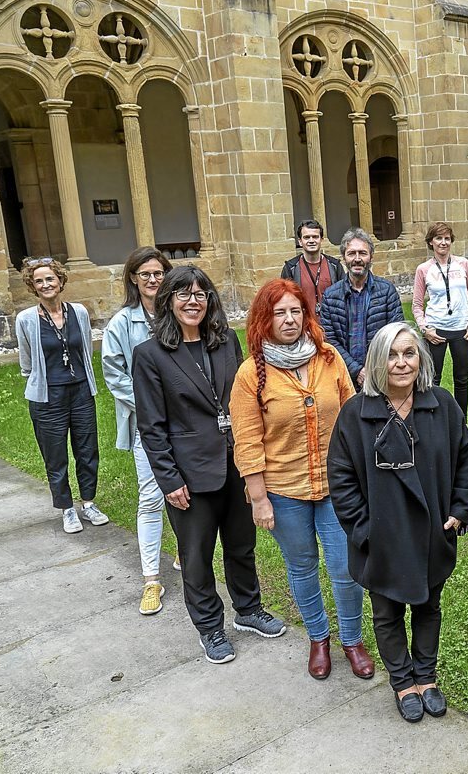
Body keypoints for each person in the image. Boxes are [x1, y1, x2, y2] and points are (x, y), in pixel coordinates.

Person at [134, 266, 286, 664]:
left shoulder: (225, 342)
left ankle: (248, 611)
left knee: (241, 546)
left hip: (236, 465)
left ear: (210, 301)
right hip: (188, 475)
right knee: (197, 557)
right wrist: (169, 480)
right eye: (183, 294)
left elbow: (245, 402)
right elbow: (151, 426)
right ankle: (210, 628)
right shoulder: (149, 356)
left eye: (201, 294)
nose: (193, 301)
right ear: (168, 300)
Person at [328, 322, 468, 723]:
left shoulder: (442, 404)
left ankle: (426, 677)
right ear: (377, 361)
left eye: (409, 353)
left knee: (429, 605)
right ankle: (402, 682)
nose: (401, 362)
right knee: (387, 612)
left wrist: (460, 511)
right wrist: (364, 530)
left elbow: (465, 459)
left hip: (432, 533)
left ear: (421, 358)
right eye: (392, 355)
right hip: (382, 538)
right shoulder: (356, 415)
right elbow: (340, 478)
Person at [230, 279, 373, 681]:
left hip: (336, 486)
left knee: (345, 565)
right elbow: (247, 440)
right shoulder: (250, 375)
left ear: (306, 316)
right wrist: (258, 497)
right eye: (280, 313)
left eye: (296, 311)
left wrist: (362, 476)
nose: (290, 319)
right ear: (265, 320)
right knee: (303, 565)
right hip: (284, 490)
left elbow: (353, 416)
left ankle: (351, 640)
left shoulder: (329, 359)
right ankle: (318, 638)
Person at [102, 247, 175, 615]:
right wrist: (152, 404)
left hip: (185, 423)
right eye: (144, 274)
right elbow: (114, 375)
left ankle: (187, 555)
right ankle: (151, 580)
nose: (152, 280)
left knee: (189, 490)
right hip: (146, 424)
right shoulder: (122, 323)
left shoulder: (177, 313)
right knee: (151, 498)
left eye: (158, 273)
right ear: (133, 278)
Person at [15, 257, 107, 535]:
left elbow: (85, 351)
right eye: (39, 280)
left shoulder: (78, 312)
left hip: (80, 392)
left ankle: (88, 503)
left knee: (87, 451)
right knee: (55, 456)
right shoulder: (26, 319)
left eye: (50, 279)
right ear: (33, 286)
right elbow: (26, 361)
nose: (46, 284)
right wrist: (41, 380)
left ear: (60, 281)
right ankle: (67, 508)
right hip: (47, 398)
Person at [412, 222, 468, 439]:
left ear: (451, 241)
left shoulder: (463, 264)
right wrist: (425, 329)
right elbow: (416, 304)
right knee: (433, 379)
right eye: (438, 238)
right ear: (431, 242)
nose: (443, 242)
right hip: (436, 330)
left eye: (447, 238)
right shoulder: (424, 269)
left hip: (462, 329)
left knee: (462, 379)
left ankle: (463, 425)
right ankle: (432, 423)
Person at [320, 227, 405, 389]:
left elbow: (396, 333)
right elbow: (329, 339)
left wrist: (373, 370)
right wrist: (356, 371)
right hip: (344, 376)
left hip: (381, 374)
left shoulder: (387, 291)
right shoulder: (331, 296)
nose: (357, 259)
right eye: (352, 253)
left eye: (362, 253)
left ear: (371, 256)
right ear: (344, 257)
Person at [280, 219, 345, 322]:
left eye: (315, 237)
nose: (311, 240)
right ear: (300, 241)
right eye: (306, 237)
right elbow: (284, 300)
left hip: (331, 326)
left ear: (321, 240)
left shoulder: (335, 266)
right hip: (303, 326)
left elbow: (344, 297)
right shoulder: (290, 268)